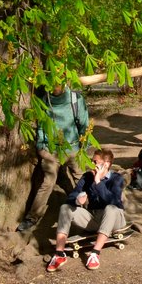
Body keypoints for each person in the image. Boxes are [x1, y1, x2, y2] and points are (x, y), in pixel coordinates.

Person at [20, 86, 89, 234]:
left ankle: (92, 211)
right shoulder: (44, 99)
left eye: (59, 82)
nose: (56, 86)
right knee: (48, 182)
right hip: (51, 151)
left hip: (73, 148)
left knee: (82, 178)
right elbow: (41, 126)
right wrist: (41, 147)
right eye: (52, 83)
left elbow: (84, 124)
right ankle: (32, 218)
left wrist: (83, 148)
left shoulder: (75, 100)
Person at [47, 148, 125, 272]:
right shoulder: (87, 177)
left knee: (110, 208)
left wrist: (98, 182)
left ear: (106, 164)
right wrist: (78, 200)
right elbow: (72, 196)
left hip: (115, 218)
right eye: (91, 161)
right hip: (94, 218)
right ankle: (59, 254)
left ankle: (95, 253)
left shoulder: (117, 178)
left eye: (95, 162)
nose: (91, 164)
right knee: (65, 208)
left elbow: (114, 202)